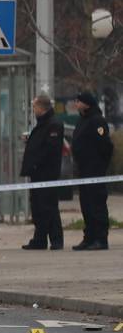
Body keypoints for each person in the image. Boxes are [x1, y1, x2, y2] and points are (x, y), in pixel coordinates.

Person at [71, 91, 114, 250]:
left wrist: (99, 165)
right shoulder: (82, 120)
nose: (76, 103)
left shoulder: (97, 121)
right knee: (86, 205)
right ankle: (89, 237)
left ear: (87, 103)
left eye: (78, 101)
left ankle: (100, 239)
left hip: (94, 171)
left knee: (97, 205)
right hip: (83, 171)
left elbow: (105, 146)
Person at [20, 95, 64, 250]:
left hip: (47, 174)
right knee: (38, 207)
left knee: (49, 207)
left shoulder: (53, 125)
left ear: (42, 107)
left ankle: (56, 240)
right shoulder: (42, 124)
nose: (33, 109)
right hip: (37, 173)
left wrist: (37, 164)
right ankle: (40, 239)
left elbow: (49, 149)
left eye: (35, 106)